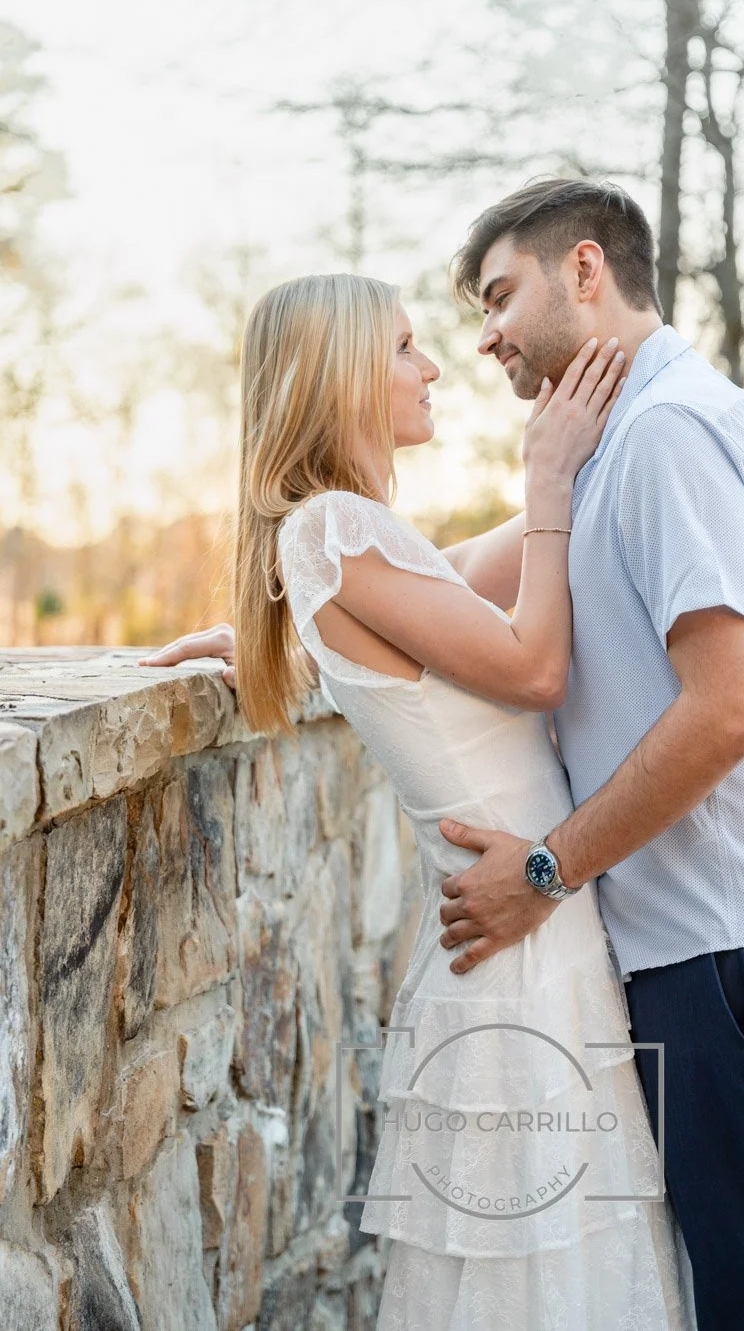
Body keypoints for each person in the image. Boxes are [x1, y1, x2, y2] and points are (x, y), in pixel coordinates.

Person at [143, 177, 744, 1331]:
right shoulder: (611, 443)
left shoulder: (665, 432)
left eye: (495, 298)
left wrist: (544, 868)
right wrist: (282, 628)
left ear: (584, 271)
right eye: (417, 339)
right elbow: (435, 597)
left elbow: (728, 708)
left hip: (727, 936)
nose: (467, 346)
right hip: (651, 940)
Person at [142, 270, 695, 1329]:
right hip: (512, 944)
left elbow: (441, 603)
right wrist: (545, 481)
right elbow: (536, 672)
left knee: (568, 1261)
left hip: (529, 935)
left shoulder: (349, 538)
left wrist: (299, 646)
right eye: (404, 348)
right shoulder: (334, 530)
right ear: (341, 373)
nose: (433, 366)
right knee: (534, 1274)